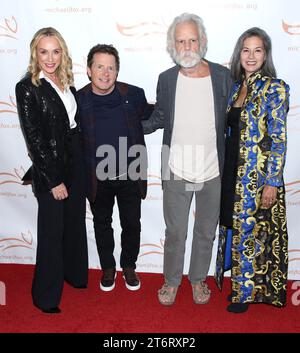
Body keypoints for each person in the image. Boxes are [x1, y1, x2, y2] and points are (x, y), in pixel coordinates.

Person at [142, 13, 232, 305]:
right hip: (176, 169)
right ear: (173, 45)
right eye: (181, 41)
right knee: (176, 232)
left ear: (202, 41)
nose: (188, 46)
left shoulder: (223, 77)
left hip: (213, 171)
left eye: (193, 39)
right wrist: (123, 123)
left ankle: (197, 280)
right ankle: (171, 282)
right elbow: (158, 118)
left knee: (206, 232)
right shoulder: (166, 79)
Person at [214, 27, 289, 313]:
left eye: (258, 50)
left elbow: (279, 138)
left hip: (257, 177)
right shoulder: (234, 87)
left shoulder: (275, 88)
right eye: (246, 50)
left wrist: (272, 181)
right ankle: (238, 285)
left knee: (253, 232)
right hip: (232, 170)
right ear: (239, 54)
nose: (251, 55)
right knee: (235, 228)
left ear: (266, 54)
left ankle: (245, 295)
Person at [15, 27, 88, 314]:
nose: (50, 57)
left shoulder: (66, 82)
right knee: (51, 232)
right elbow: (34, 139)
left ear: (63, 53)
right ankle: (45, 296)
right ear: (35, 53)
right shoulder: (27, 87)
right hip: (51, 166)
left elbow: (72, 125)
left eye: (55, 51)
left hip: (74, 159)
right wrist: (53, 179)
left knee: (72, 224)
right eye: (43, 51)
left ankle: (73, 275)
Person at [77, 44, 153, 292]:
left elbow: (155, 115)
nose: (105, 73)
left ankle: (129, 265)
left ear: (117, 71)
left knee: (132, 223)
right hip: (98, 177)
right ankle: (108, 267)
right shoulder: (78, 101)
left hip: (130, 173)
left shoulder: (134, 95)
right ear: (89, 70)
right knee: (102, 223)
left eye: (111, 68)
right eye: (100, 67)